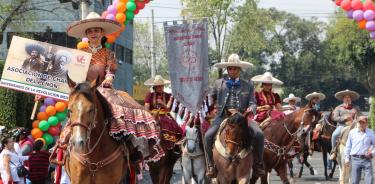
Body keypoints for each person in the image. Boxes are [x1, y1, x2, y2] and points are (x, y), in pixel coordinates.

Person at [57, 12, 162, 161]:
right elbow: (72, 74)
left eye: (96, 30)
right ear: (86, 34)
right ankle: (63, 147)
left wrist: (108, 79)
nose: (93, 33)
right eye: (90, 31)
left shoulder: (109, 54)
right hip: (84, 89)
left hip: (103, 88)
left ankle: (129, 145)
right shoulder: (79, 53)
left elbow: (110, 72)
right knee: (76, 111)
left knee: (118, 108)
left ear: (102, 33)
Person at [204, 54, 265, 177]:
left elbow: (253, 103)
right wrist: (212, 107)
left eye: (235, 68)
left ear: (239, 70)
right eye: (230, 68)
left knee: (259, 135)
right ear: (227, 69)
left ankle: (258, 164)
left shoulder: (248, 85)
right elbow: (211, 99)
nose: (232, 71)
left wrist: (250, 109)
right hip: (223, 116)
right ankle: (211, 165)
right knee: (207, 136)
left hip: (242, 118)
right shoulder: (218, 83)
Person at [144, 75, 182, 151]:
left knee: (175, 127)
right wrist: (149, 117)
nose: (161, 87)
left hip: (165, 115)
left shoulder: (168, 95)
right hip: (152, 115)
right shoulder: (149, 95)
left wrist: (162, 103)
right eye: (159, 86)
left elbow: (168, 108)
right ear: (155, 87)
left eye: (162, 86)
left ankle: (174, 148)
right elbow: (146, 108)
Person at [331, 89, 362, 160]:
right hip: (342, 126)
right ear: (343, 99)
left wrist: (357, 116)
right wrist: (344, 118)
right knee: (334, 135)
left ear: (351, 98)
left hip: (354, 125)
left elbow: (361, 117)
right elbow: (334, 118)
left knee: (364, 135)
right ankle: (333, 151)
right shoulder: (338, 108)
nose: (347, 99)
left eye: (349, 97)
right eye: (346, 97)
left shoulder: (356, 107)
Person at [344, 116, 375, 184]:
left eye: (363, 123)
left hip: (367, 160)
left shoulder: (371, 132)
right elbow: (348, 146)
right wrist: (346, 158)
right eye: (360, 122)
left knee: (369, 182)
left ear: (367, 123)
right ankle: (334, 151)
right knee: (354, 181)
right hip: (355, 159)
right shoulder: (352, 132)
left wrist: (372, 153)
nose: (361, 124)